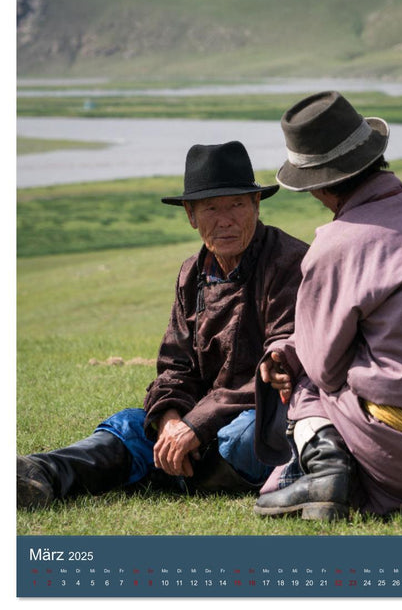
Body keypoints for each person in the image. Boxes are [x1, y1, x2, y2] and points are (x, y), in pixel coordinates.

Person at [17, 141, 308, 508]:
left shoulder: (289, 262)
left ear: (256, 204)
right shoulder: (192, 274)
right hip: (202, 419)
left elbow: (281, 364)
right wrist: (171, 421)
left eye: (236, 204)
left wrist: (196, 426)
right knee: (131, 424)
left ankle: (159, 470)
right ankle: (40, 474)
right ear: (190, 214)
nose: (225, 219)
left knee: (242, 437)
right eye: (211, 208)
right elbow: (175, 367)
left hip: (264, 414)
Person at [254, 91, 402, 523]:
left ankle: (327, 476)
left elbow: (324, 368)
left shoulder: (337, 244)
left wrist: (289, 351)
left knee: (308, 384)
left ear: (318, 185)